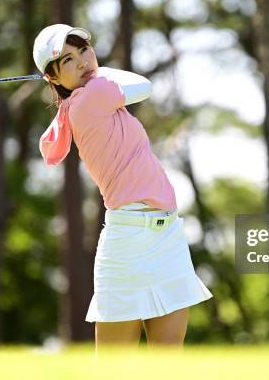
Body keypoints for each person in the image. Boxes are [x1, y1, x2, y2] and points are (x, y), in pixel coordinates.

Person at [32, 24, 214, 352]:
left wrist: (77, 74)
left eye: (84, 50)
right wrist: (98, 72)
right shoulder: (93, 97)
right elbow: (143, 85)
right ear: (54, 78)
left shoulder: (82, 100)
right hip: (128, 242)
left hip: (167, 236)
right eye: (68, 60)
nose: (83, 62)